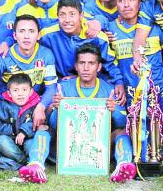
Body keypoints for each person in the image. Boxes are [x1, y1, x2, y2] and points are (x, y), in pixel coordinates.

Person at [109, 0, 163, 166]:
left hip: (159, 90)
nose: (126, 5)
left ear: (140, 3)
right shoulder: (111, 31)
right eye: (121, 0)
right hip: (132, 96)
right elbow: (109, 63)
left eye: (131, 0)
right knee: (126, 127)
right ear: (116, 4)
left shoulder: (154, 28)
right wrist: (118, 83)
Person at [48, 44, 135, 183]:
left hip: (98, 143)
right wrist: (57, 107)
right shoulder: (63, 88)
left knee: (122, 132)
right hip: (72, 144)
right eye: (82, 63)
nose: (86, 68)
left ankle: (123, 164)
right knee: (44, 130)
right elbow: (53, 125)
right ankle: (37, 163)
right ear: (76, 66)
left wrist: (115, 110)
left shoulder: (109, 90)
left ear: (99, 67)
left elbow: (123, 123)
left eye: (91, 63)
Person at [0, 15, 57, 127]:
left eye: (31, 31)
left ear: (38, 35)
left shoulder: (46, 55)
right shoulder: (4, 55)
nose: (26, 36)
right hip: (5, 111)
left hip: (31, 109)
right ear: (14, 35)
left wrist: (41, 106)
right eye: (22, 31)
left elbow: (51, 88)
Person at [39, 0, 124, 94]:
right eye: (62, 15)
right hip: (60, 84)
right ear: (57, 16)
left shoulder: (96, 36)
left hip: (91, 83)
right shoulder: (47, 35)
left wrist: (119, 82)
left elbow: (110, 64)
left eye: (72, 14)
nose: (67, 20)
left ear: (81, 15)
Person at [0, 73, 52, 177]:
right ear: (9, 93)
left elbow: (42, 126)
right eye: (16, 90)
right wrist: (14, 130)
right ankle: (25, 163)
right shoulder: (2, 105)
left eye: (24, 90)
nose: (20, 94)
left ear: (31, 92)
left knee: (32, 144)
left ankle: (24, 163)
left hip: (28, 139)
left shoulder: (36, 105)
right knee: (1, 141)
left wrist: (24, 131)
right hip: (10, 141)